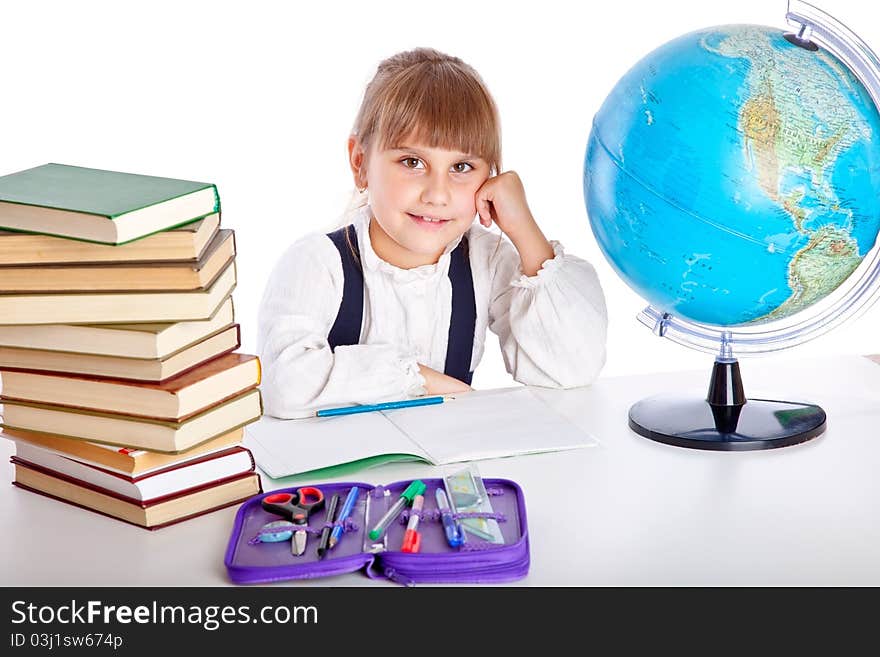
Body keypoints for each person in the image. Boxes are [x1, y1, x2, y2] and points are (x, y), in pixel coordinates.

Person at [258, 47, 607, 418]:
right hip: (339, 474)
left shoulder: (484, 261)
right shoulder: (318, 263)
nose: (437, 195)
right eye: (412, 162)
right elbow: (283, 385)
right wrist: (417, 380)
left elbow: (572, 367)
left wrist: (524, 229)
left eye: (461, 166)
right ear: (360, 163)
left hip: (444, 470)